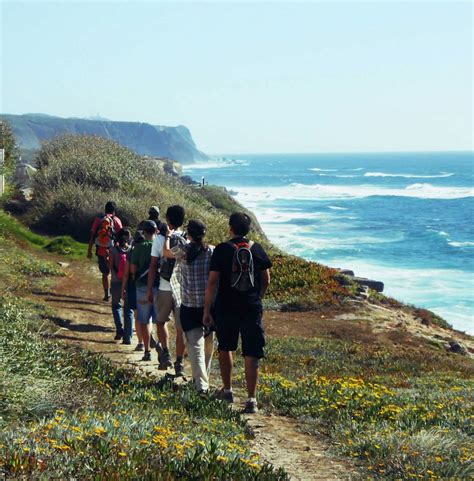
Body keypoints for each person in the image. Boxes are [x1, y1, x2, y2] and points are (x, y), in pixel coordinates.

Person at [203, 212, 272, 414]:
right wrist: (257, 297)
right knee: (252, 353)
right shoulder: (256, 249)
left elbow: (212, 282)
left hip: (226, 306)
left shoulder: (223, 249)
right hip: (251, 307)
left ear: (230, 228)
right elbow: (266, 279)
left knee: (226, 347)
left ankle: (228, 390)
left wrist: (207, 310)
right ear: (248, 229)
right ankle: (251, 399)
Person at [163, 219, 214, 393]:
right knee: (208, 344)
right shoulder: (211, 251)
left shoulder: (182, 251)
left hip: (189, 305)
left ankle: (201, 385)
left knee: (195, 346)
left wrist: (168, 236)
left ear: (189, 234)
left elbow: (166, 252)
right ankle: (202, 380)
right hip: (208, 305)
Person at [147, 205, 186, 375]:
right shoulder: (187, 239)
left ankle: (166, 353)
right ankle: (179, 363)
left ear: (168, 219)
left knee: (161, 322)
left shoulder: (160, 239)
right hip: (181, 288)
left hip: (164, 286)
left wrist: (149, 289)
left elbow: (154, 264)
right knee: (180, 328)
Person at [130, 220, 159, 361]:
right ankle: (163, 348)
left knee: (144, 320)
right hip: (160, 287)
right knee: (161, 322)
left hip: (142, 286)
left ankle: (147, 351)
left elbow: (133, 269)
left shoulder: (139, 247)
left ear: (144, 232)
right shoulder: (162, 246)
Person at [87, 201, 123, 301]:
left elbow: (92, 235)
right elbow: (122, 237)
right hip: (114, 251)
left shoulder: (98, 219)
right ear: (114, 211)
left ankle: (107, 294)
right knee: (115, 273)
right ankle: (114, 292)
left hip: (101, 251)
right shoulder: (117, 220)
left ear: (105, 209)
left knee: (105, 273)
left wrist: (89, 250)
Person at [109, 228, 134, 342]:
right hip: (128, 282)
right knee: (128, 308)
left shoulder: (113, 250)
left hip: (115, 281)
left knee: (116, 306)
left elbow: (110, 266)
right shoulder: (131, 250)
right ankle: (128, 337)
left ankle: (119, 330)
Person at [121, 230, 144, 351]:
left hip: (133, 285)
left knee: (137, 315)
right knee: (146, 315)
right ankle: (148, 341)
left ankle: (140, 342)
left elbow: (126, 274)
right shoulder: (150, 251)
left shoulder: (131, 252)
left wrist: (123, 288)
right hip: (147, 284)